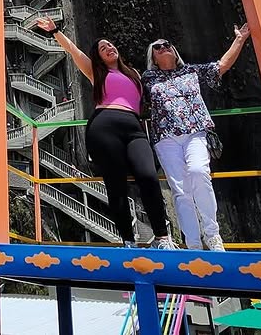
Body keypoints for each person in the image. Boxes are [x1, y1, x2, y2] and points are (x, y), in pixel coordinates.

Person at [35, 16, 175, 249]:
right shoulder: (97, 73)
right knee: (115, 183)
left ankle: (162, 238)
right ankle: (128, 241)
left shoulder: (135, 74)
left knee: (148, 176)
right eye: (103, 47)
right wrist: (55, 31)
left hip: (134, 127)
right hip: (104, 126)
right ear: (98, 56)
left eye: (110, 44)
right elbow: (73, 51)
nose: (109, 48)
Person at [142, 24, 251, 251]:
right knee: (181, 191)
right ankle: (192, 243)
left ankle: (212, 234)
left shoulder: (191, 71)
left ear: (174, 50)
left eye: (167, 45)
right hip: (166, 137)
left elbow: (220, 67)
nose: (163, 48)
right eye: (157, 47)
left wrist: (239, 40)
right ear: (152, 56)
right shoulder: (147, 78)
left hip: (195, 131)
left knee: (199, 172)